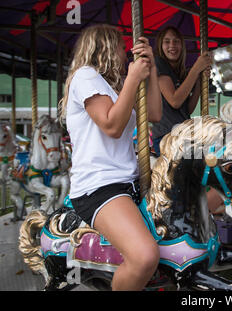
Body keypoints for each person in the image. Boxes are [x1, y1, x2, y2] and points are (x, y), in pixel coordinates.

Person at [59, 24, 162, 291]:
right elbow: (111, 126)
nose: (124, 51)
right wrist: (131, 78)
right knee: (144, 256)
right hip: (100, 187)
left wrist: (151, 70)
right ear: (104, 46)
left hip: (127, 183)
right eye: (120, 45)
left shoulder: (110, 87)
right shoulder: (85, 76)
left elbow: (154, 113)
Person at [151, 25, 212, 156]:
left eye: (176, 41)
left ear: (182, 46)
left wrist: (199, 82)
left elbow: (188, 109)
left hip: (182, 134)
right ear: (161, 46)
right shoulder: (159, 63)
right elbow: (175, 101)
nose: (172, 45)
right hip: (167, 136)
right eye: (167, 42)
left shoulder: (179, 72)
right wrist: (196, 68)